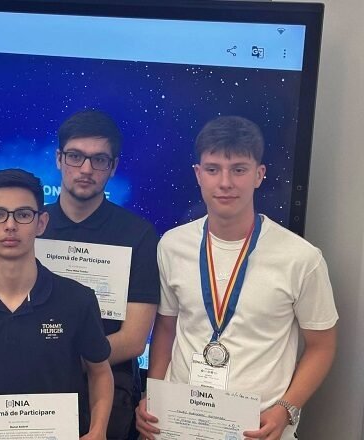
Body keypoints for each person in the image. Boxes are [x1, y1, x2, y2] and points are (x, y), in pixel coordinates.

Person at [136, 116, 338, 440]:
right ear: (198, 175)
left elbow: (322, 346)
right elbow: (166, 328)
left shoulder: (302, 258)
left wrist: (286, 408)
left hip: (256, 429)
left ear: (259, 175)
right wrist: (152, 396)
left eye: (239, 169)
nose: (225, 182)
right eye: (213, 169)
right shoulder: (172, 245)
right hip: (180, 425)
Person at [0, 169, 115, 439]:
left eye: (23, 214)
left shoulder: (77, 299)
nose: (10, 225)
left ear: (41, 223)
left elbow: (100, 372)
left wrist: (98, 430)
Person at [40, 110, 159, 439]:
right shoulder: (30, 226)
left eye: (99, 160)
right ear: (59, 159)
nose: (86, 169)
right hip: (34, 388)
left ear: (114, 167)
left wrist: (61, 362)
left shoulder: (137, 234)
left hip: (109, 390)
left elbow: (135, 340)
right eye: (76, 156)